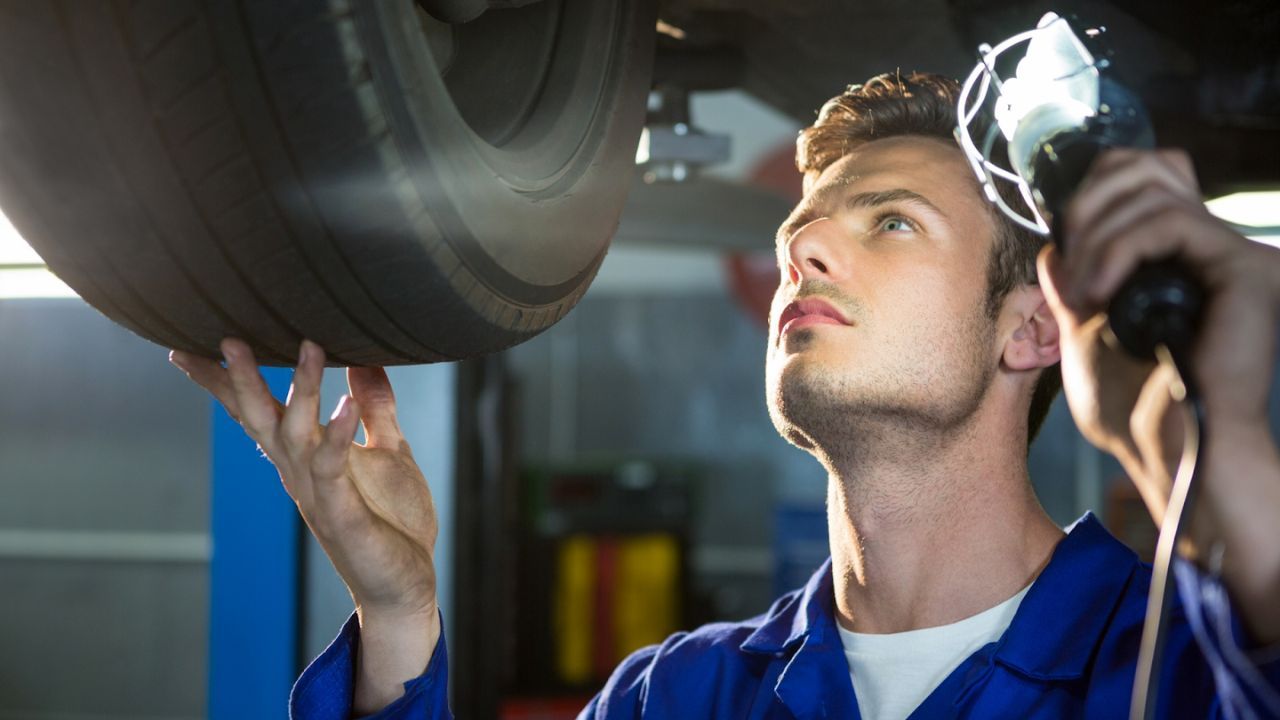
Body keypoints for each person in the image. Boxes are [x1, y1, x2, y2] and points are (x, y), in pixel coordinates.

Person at [169, 72, 1280, 718]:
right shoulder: (676, 697)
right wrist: (398, 619)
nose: (804, 256)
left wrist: (1210, 454)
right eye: (801, 236)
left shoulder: (1171, 664)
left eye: (889, 223)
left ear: (1032, 325)